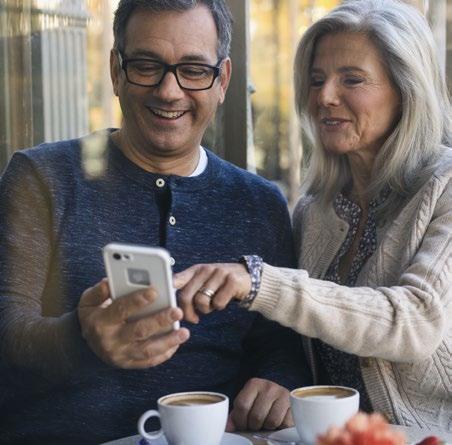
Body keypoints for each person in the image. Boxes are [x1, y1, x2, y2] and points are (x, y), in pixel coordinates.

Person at [0, 1, 310, 444]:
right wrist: (80, 338)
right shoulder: (41, 179)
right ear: (116, 70)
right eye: (146, 65)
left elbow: (279, 345)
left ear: (222, 81)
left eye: (193, 70)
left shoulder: (259, 202)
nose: (169, 91)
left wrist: (277, 380)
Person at [175, 0, 452, 431]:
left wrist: (259, 281)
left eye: (352, 80)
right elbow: (294, 338)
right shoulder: (314, 209)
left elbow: (415, 321)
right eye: (317, 79)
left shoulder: (445, 186)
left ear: (405, 90)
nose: (324, 97)